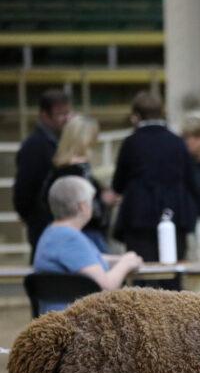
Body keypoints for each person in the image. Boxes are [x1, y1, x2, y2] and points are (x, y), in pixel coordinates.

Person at [112, 91, 200, 262]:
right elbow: (191, 181)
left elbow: (118, 184)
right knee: (172, 274)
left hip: (138, 218)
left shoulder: (131, 143)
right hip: (174, 215)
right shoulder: (177, 142)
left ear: (136, 116)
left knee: (143, 275)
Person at [33, 176, 143, 313]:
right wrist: (125, 264)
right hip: (77, 322)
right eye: (91, 201)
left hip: (57, 319)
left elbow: (86, 260)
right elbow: (106, 286)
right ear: (82, 207)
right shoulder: (70, 239)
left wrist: (120, 259)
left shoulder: (52, 234)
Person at [40, 115, 119, 253]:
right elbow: (89, 208)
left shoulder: (58, 169)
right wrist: (103, 200)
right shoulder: (79, 170)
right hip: (86, 234)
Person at [14, 89, 72, 262]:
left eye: (67, 113)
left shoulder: (54, 142)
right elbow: (24, 189)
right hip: (42, 222)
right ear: (44, 115)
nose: (65, 118)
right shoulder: (35, 146)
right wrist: (34, 217)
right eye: (59, 114)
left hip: (47, 221)